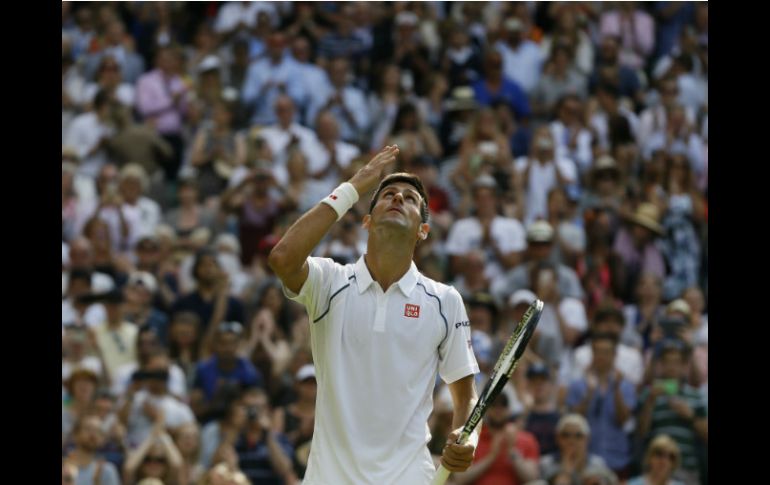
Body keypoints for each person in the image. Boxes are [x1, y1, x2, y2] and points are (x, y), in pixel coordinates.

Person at [268, 145, 480, 483]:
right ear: (366, 221)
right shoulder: (329, 282)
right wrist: (352, 188)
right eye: (388, 195)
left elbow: (466, 394)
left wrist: (468, 437)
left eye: (410, 199)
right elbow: (282, 258)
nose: (398, 199)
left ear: (422, 231)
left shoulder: (445, 300)